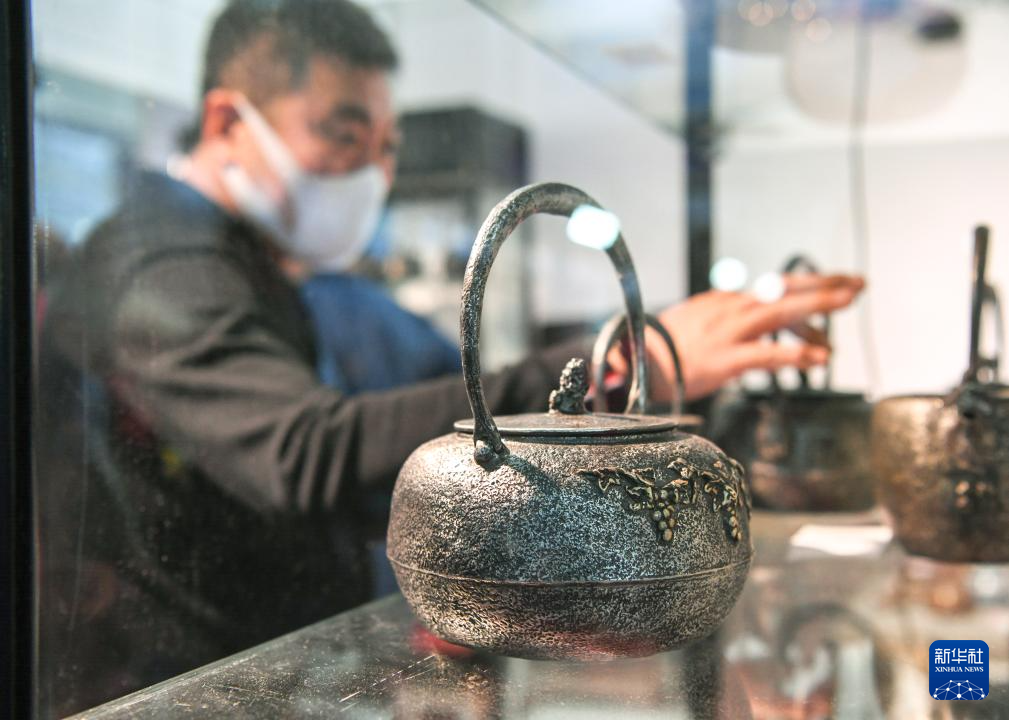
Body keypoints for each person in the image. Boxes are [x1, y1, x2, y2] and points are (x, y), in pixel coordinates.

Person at [35, 0, 864, 714]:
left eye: (387, 146)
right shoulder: (162, 264)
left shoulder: (281, 272)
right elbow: (302, 453)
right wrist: (622, 356)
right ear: (226, 123)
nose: (373, 171)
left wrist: (619, 366)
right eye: (342, 133)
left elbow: (436, 384)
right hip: (186, 680)